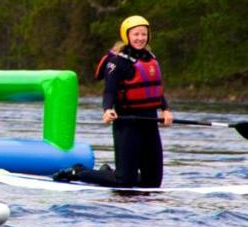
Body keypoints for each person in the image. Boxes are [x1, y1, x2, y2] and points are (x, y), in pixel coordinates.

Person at [55, 15, 174, 188]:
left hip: (150, 122)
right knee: (124, 182)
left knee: (152, 183)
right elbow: (109, 91)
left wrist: (165, 109)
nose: (140, 38)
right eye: (136, 34)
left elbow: (155, 90)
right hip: (127, 123)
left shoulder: (151, 60)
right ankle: (78, 172)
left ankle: (107, 173)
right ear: (127, 36)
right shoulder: (118, 63)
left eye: (143, 34)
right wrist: (107, 110)